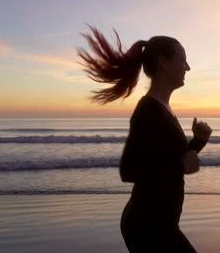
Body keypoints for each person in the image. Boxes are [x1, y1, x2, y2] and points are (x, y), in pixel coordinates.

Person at [78, 25, 212, 252]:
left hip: (161, 223)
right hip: (148, 226)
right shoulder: (148, 110)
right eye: (183, 60)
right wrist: (180, 165)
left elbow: (167, 159)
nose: (188, 67)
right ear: (163, 62)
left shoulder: (163, 108)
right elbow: (129, 170)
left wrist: (198, 141)